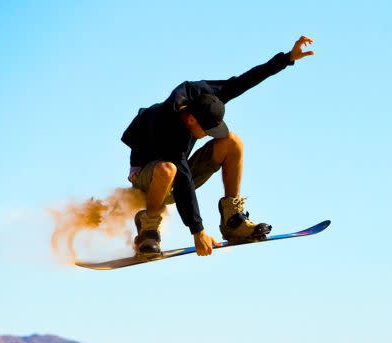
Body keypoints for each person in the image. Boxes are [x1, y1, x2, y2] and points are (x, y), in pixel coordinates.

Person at [121, 35, 315, 259]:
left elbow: (242, 82)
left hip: (176, 171)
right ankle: (149, 229)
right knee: (168, 170)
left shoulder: (203, 97)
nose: (208, 137)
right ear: (191, 120)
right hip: (146, 178)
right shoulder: (168, 125)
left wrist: (287, 58)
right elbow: (183, 181)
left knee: (232, 142)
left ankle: (233, 219)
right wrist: (198, 231)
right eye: (207, 131)